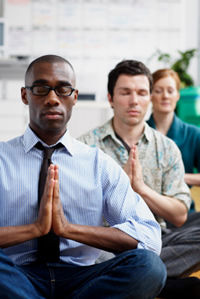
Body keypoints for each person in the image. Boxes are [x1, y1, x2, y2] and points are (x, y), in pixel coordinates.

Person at [0, 54, 166, 299]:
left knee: (149, 266)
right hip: (18, 276)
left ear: (74, 97)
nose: (52, 99)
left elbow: (150, 237)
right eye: (41, 89)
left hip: (82, 279)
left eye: (63, 89)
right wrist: (35, 229)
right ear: (25, 95)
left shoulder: (98, 164)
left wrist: (68, 229)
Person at [78, 59, 200, 298]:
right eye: (125, 92)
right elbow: (75, 214)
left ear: (149, 98)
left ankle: (136, 274)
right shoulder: (85, 147)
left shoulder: (167, 148)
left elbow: (178, 215)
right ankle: (153, 278)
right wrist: (117, 193)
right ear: (111, 98)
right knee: (77, 250)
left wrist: (142, 190)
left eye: (142, 92)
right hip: (104, 241)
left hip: (156, 239)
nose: (134, 100)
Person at [147, 68, 200, 213]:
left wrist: (179, 176)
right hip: (146, 212)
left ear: (177, 95)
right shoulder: (138, 132)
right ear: (150, 95)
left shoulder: (193, 134)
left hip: (182, 211)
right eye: (158, 91)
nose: (165, 96)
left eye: (170, 91)